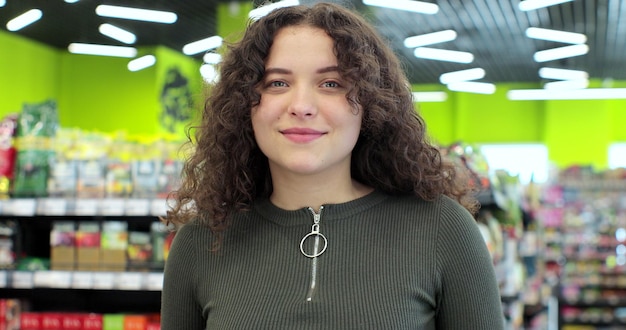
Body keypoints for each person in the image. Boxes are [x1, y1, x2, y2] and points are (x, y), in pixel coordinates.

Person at [160, 2, 505, 329]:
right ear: (244, 105)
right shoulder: (200, 243)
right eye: (277, 83)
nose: (302, 105)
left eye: (331, 84)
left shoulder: (442, 230)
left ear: (370, 104)